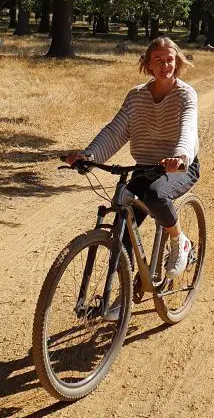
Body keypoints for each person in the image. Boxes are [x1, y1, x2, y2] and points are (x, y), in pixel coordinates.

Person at [64, 36, 199, 279]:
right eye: (158, 60)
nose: (164, 65)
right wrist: (89, 155)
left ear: (177, 62)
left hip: (178, 168)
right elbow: (116, 130)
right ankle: (120, 293)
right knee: (122, 224)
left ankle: (180, 242)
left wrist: (179, 157)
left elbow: (187, 128)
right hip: (146, 166)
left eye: (169, 60)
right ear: (148, 65)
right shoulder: (136, 96)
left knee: (155, 195)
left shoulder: (185, 95)